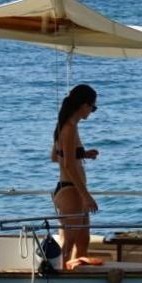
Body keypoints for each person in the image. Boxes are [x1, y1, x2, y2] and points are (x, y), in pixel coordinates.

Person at [50, 83, 102, 270]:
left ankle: (76, 273)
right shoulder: (69, 128)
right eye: (92, 107)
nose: (92, 111)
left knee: (83, 239)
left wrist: (83, 154)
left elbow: (55, 156)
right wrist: (86, 196)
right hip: (70, 190)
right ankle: (63, 276)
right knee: (70, 241)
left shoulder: (64, 126)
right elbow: (67, 165)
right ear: (83, 106)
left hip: (70, 189)